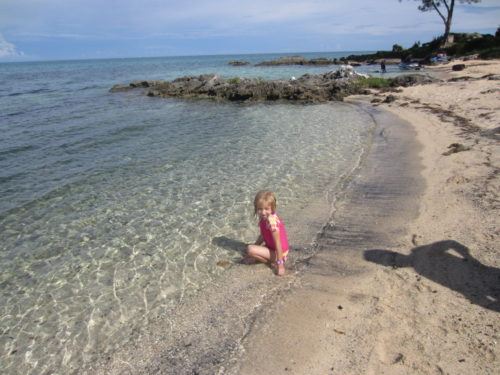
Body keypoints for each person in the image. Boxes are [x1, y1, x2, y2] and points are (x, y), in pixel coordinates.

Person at [245, 190, 289, 276]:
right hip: (273, 249)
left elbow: (278, 243)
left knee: (250, 249)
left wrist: (280, 265)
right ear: (256, 208)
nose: (263, 212)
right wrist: (256, 245)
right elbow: (262, 236)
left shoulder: (272, 222)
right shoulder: (264, 218)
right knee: (250, 249)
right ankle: (259, 258)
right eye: (260, 209)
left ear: (272, 208)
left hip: (280, 253)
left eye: (266, 209)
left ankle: (273, 261)